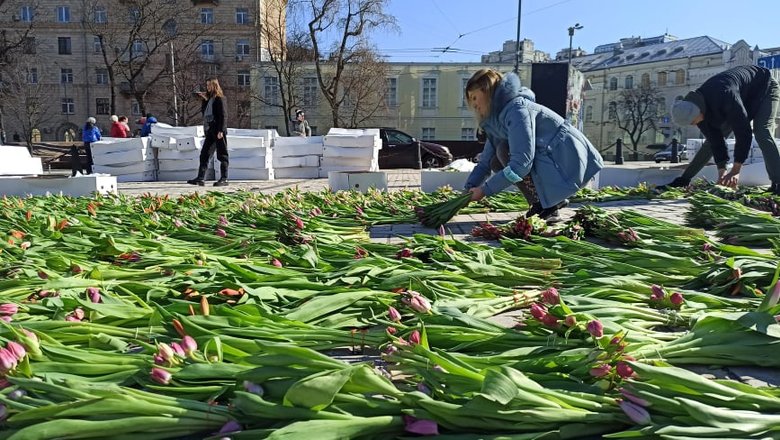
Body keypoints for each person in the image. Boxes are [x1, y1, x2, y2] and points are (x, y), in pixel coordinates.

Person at [463, 68, 604, 221]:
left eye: (475, 97)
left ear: (487, 91)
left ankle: (550, 206)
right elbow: (485, 163)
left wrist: (484, 191)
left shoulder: (517, 110)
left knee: (504, 151)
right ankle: (544, 203)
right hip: (550, 159)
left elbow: (522, 163)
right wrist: (468, 189)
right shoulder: (494, 121)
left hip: (569, 160)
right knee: (496, 162)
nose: (473, 104)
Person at [662, 65, 780, 195]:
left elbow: (744, 133)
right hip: (742, 96)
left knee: (761, 132)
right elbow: (715, 142)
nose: (694, 125)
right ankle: (684, 180)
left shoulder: (726, 94)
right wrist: (722, 172)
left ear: (699, 112)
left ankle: (778, 181)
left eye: (693, 121)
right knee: (710, 144)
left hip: (765, 86)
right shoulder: (697, 108)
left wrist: (735, 171)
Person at [187, 77, 229, 187]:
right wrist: (204, 100)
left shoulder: (220, 99)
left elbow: (223, 115)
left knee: (222, 154)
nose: (208, 87)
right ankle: (200, 178)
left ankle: (224, 178)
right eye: (207, 85)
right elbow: (204, 113)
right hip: (210, 129)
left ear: (215, 86)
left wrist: (221, 130)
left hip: (218, 130)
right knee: (205, 153)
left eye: (210, 85)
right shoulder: (209, 100)